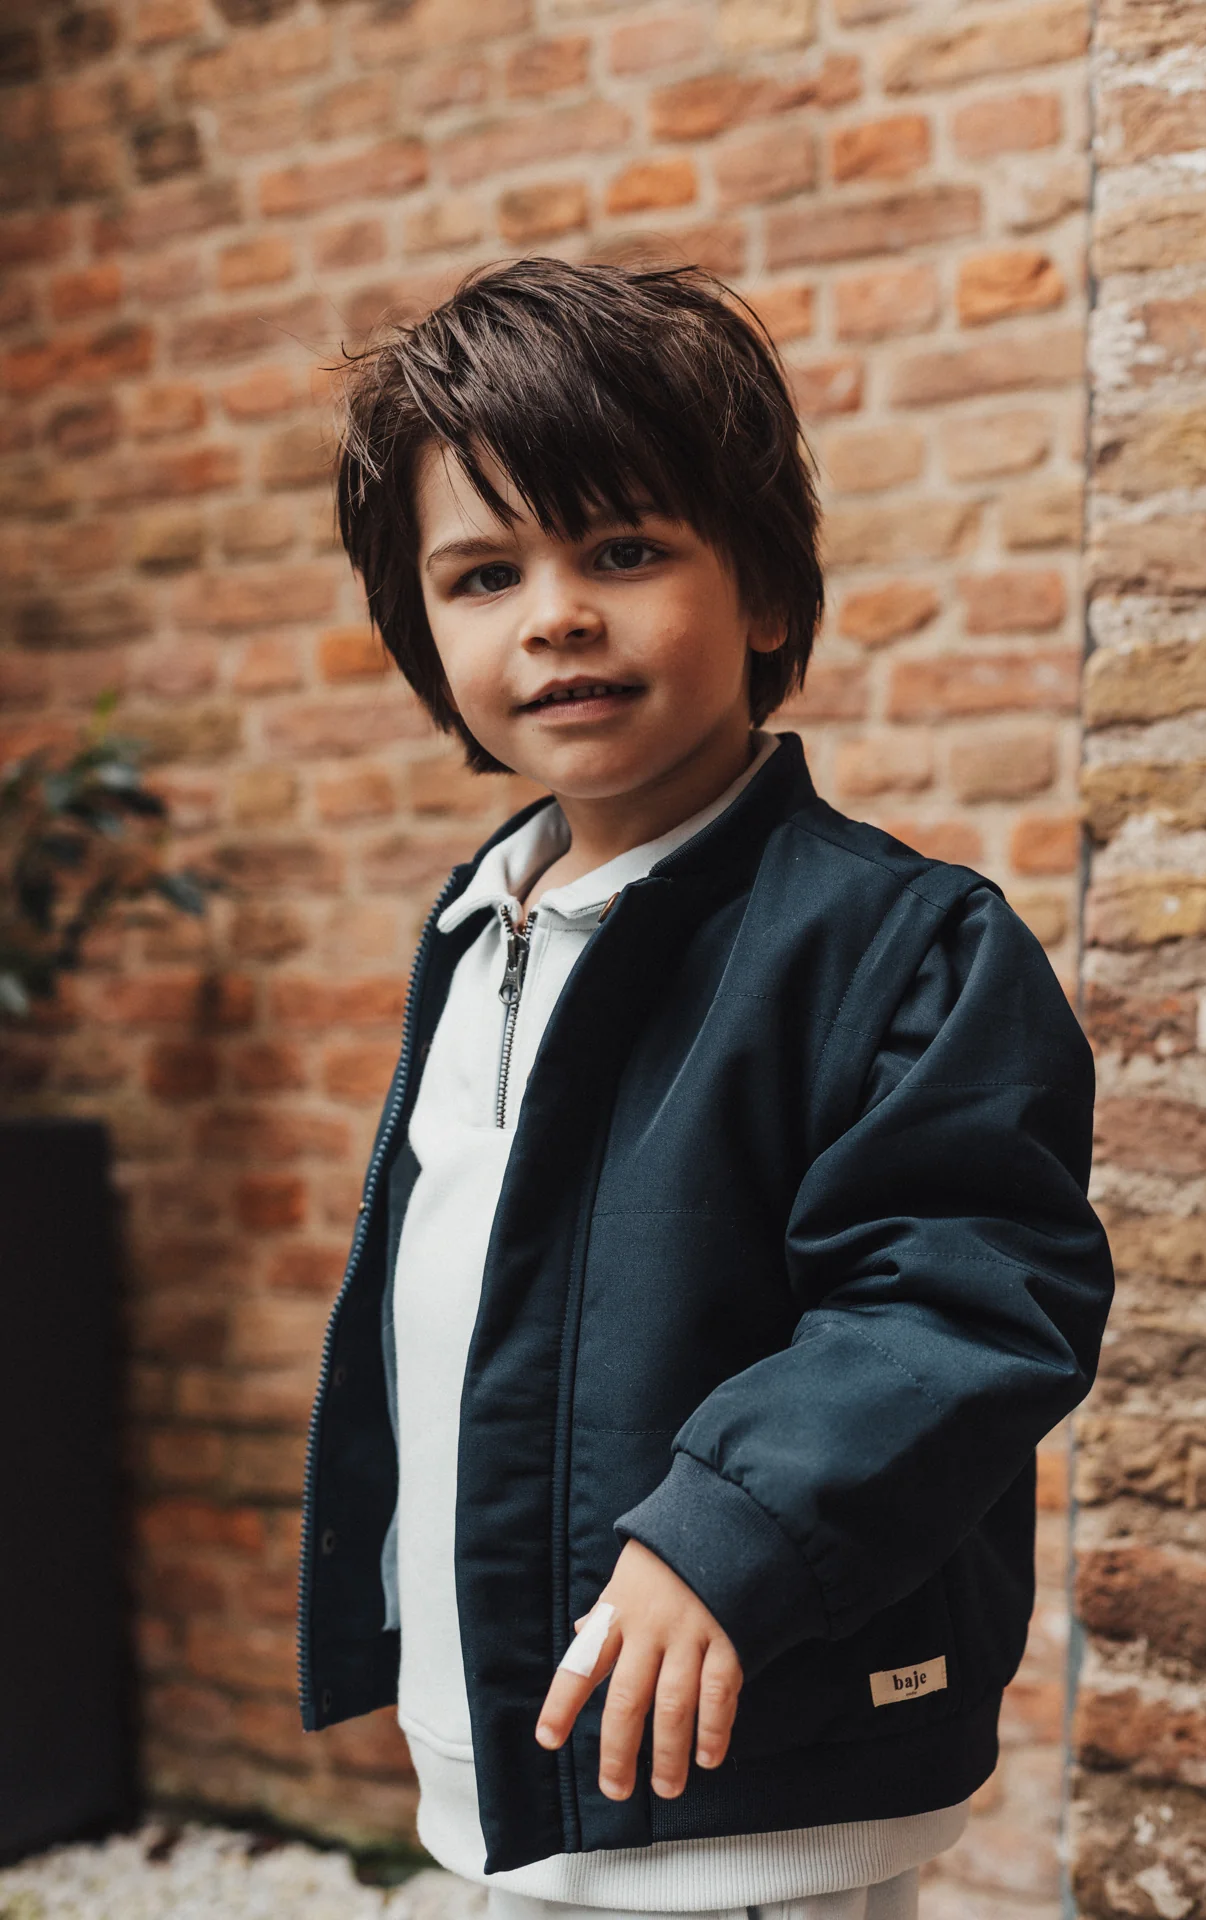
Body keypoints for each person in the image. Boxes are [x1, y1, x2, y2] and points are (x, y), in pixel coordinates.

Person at [297, 257, 1113, 1920]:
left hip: (743, 1779)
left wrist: (723, 1532)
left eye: (624, 550)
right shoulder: (481, 928)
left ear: (763, 594)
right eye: (484, 573)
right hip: (517, 1755)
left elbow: (961, 1298)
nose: (555, 615)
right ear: (423, 633)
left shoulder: (899, 945)